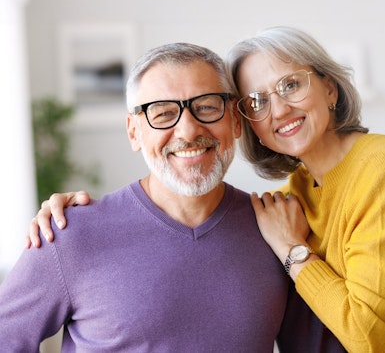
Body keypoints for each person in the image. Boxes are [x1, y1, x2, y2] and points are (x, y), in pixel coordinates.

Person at [30, 26, 385, 352]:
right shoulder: (293, 197)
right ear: (250, 124)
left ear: (329, 88)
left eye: (290, 86)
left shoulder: (378, 170)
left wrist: (292, 250)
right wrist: (76, 227)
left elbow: (359, 336)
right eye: (258, 100)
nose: (278, 111)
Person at [6, 42, 344, 352]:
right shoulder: (69, 233)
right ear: (134, 131)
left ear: (235, 122)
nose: (188, 130)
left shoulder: (279, 231)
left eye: (207, 107)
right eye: (164, 113)